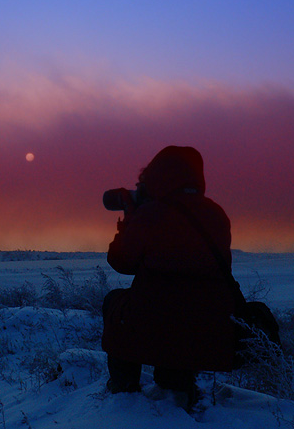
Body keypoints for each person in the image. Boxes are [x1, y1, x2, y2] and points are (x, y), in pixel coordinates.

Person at [101, 146, 236, 409]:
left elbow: (121, 262)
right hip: (207, 323)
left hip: (155, 319)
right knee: (180, 308)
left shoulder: (150, 215)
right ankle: (176, 387)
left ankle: (124, 388)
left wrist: (130, 220)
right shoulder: (216, 214)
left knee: (117, 303)